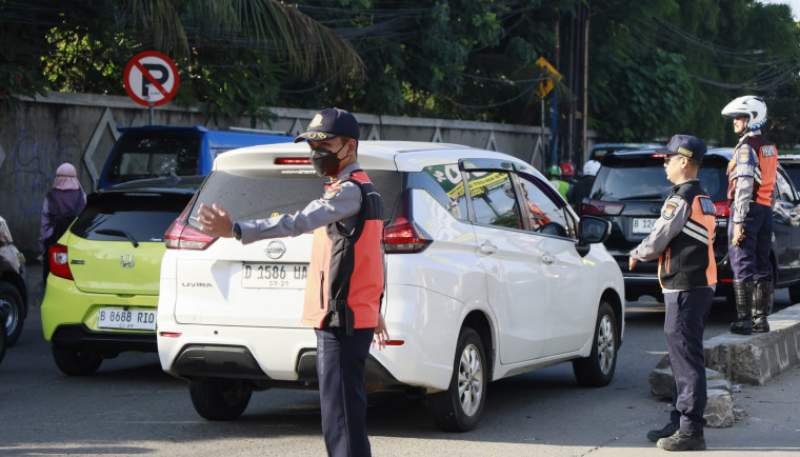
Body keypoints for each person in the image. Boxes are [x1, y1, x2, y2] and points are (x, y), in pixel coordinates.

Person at [197, 107, 388, 457]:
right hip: (347, 316)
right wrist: (375, 309)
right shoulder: (365, 189)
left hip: (341, 318)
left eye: (324, 145)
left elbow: (298, 221)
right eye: (313, 146)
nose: (317, 154)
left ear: (350, 145)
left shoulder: (348, 191)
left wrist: (237, 229)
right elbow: (375, 253)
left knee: (341, 417)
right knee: (343, 413)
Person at [629, 135, 716, 452]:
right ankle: (679, 421)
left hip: (686, 284)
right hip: (698, 284)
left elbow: (657, 240)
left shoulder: (680, 199)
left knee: (686, 359)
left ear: (683, 161)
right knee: (685, 355)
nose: (664, 164)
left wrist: (638, 252)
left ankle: (691, 431)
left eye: (668, 159)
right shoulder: (704, 197)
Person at [721, 95, 777, 334]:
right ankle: (760, 319)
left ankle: (743, 321)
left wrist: (740, 220)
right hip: (765, 210)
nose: (735, 122)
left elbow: (744, 185)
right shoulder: (769, 147)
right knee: (762, 264)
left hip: (749, 209)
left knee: (742, 262)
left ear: (752, 118)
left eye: (739, 117)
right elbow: (771, 184)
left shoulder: (746, 149)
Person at [39, 162, 86, 286]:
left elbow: (45, 221)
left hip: (54, 240)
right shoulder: (81, 196)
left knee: (53, 272)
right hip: (76, 240)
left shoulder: (50, 196)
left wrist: (44, 242)